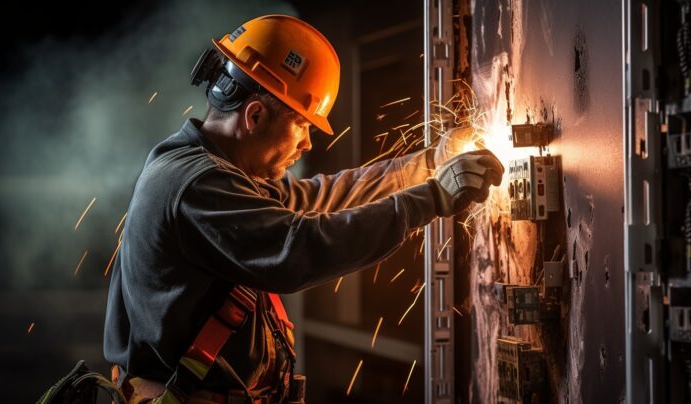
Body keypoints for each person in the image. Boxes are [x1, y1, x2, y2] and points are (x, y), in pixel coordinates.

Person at [103, 14, 503, 404]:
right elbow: (300, 248)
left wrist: (427, 164)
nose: (308, 144)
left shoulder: (220, 173)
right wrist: (433, 198)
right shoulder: (196, 185)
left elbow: (319, 199)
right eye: (303, 125)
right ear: (255, 115)